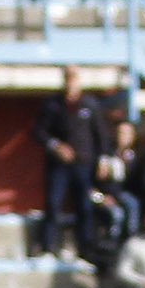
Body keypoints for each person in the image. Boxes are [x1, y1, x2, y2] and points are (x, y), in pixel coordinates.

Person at [34, 68, 109, 256]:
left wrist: (103, 159)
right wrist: (55, 145)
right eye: (68, 79)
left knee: (84, 205)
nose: (71, 83)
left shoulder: (90, 104)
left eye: (74, 79)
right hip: (59, 164)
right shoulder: (52, 104)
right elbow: (38, 132)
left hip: (84, 163)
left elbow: (100, 134)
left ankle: (85, 248)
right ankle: (47, 246)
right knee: (53, 203)